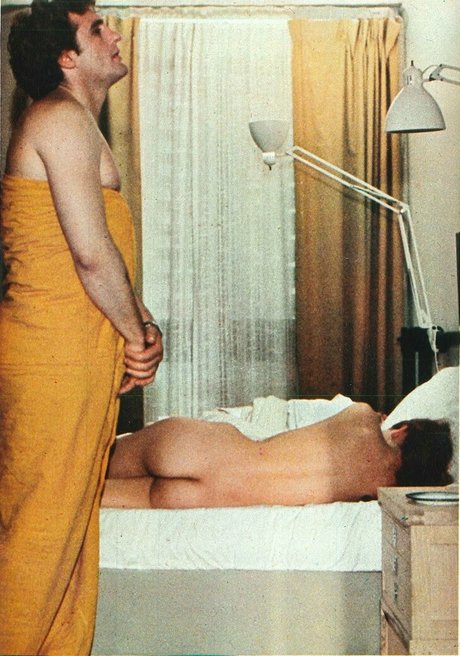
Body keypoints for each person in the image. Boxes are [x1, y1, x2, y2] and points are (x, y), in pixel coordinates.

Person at [0, 1, 163, 654]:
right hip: (52, 360)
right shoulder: (58, 119)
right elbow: (90, 256)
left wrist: (141, 326)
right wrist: (137, 338)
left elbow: (105, 255)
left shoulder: (76, 124)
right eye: (97, 28)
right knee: (38, 539)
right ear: (67, 57)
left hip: (76, 358)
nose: (114, 33)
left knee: (67, 538)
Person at [101, 402, 453, 509]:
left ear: (402, 431)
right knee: (85, 494)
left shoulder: (361, 416)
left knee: (87, 461)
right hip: (206, 497)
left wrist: (380, 421)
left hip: (200, 449)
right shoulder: (377, 493)